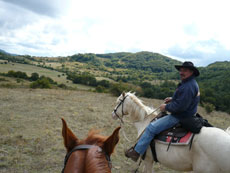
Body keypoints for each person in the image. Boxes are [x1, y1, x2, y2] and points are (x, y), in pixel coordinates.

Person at [125, 61, 200, 162]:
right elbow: (184, 99)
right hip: (187, 113)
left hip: (180, 116)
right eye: (181, 70)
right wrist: (172, 99)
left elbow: (181, 106)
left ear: (191, 72)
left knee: (151, 128)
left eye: (184, 70)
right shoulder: (189, 83)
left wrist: (166, 107)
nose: (181, 72)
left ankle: (136, 152)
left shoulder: (188, 86)